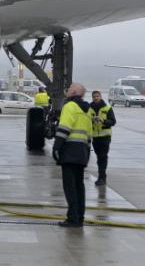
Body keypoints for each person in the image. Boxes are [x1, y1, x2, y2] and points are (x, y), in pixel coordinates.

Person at [52, 82, 93, 228]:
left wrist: (56, 147)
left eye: (69, 89)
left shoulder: (70, 106)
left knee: (70, 187)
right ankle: (80, 217)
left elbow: (64, 128)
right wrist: (87, 153)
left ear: (74, 92)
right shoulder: (87, 110)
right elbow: (89, 135)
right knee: (79, 186)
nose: (67, 91)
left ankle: (72, 218)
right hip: (81, 152)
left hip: (69, 151)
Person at [89, 90, 116, 186]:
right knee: (98, 157)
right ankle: (101, 176)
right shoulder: (89, 108)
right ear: (92, 98)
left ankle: (102, 177)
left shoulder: (107, 108)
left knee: (102, 157)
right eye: (94, 97)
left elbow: (113, 121)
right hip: (95, 137)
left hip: (105, 136)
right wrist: (92, 120)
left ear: (100, 97)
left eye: (97, 96)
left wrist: (103, 120)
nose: (96, 98)